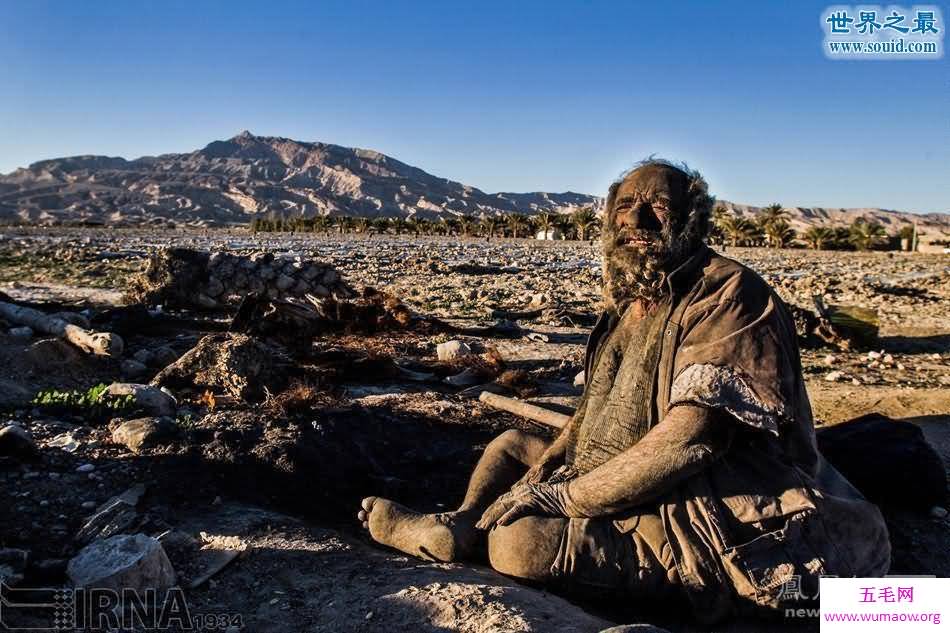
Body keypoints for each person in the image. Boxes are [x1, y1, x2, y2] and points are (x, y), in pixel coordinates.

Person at [358, 159, 890, 622]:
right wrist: (551, 466)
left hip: (707, 501)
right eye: (626, 204)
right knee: (512, 446)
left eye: (658, 205)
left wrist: (558, 496)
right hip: (615, 478)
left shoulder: (728, 293)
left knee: (520, 543)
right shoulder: (628, 305)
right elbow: (592, 414)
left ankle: (882, 608)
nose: (636, 218)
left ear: (692, 220)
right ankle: (462, 524)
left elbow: (693, 438)